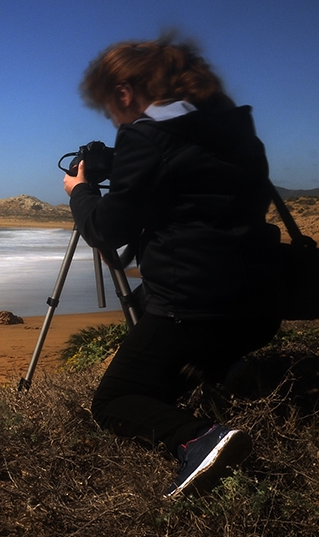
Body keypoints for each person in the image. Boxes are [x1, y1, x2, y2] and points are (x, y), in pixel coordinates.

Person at [63, 34, 281, 498]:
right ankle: (231, 370)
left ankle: (201, 440)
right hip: (264, 300)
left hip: (197, 306)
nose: (114, 118)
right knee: (146, 302)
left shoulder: (148, 136)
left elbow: (105, 229)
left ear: (125, 93)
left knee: (113, 400)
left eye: (110, 109)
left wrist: (79, 193)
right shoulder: (232, 126)